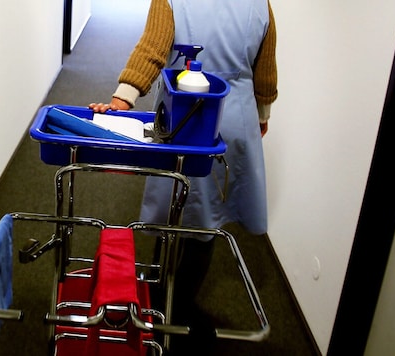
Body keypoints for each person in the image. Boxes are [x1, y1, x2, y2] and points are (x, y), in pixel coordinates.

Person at [90, 1, 277, 350]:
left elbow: (152, 49)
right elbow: (265, 71)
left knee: (177, 203)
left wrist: (122, 100)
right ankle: (180, 302)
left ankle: (165, 301)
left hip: (188, 115)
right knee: (205, 222)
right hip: (235, 114)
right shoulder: (260, 5)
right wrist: (261, 114)